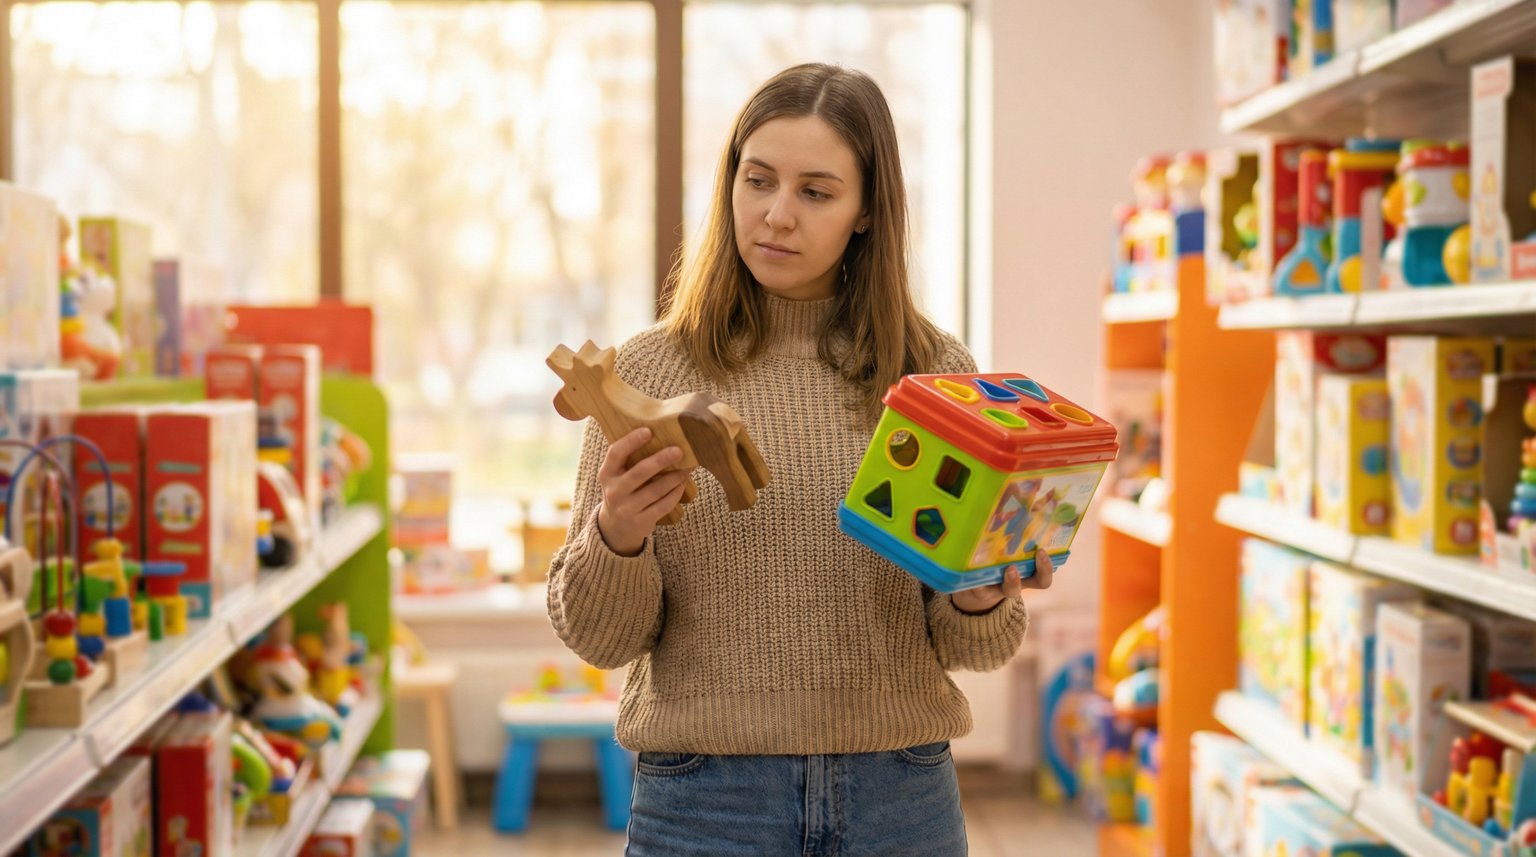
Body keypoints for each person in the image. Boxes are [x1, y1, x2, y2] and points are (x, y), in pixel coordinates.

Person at [547, 62, 1052, 856]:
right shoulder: (643, 374)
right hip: (703, 802)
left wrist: (984, 587)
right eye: (758, 181)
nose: (777, 215)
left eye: (816, 191)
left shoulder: (937, 373)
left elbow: (974, 647)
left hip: (901, 796)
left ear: (864, 212)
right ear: (731, 185)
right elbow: (599, 637)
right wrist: (616, 532)